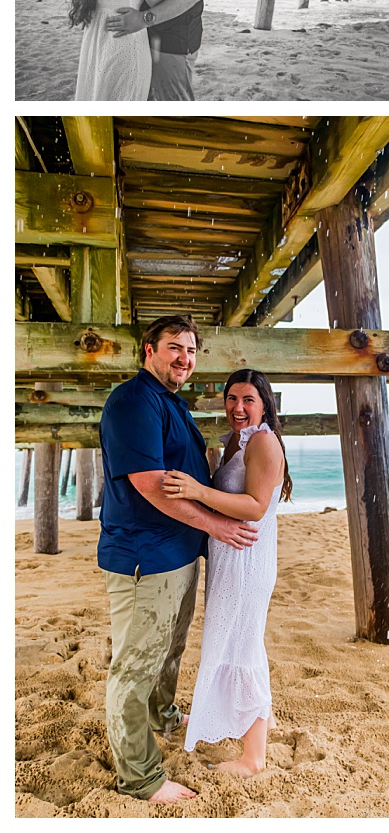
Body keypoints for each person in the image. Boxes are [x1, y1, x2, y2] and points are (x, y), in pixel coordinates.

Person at [98, 315, 259, 802]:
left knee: (168, 651)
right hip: (144, 558)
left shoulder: (172, 403)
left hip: (179, 555)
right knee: (134, 666)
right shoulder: (132, 401)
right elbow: (148, 484)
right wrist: (219, 526)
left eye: (190, 350)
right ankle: (141, 778)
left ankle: (162, 716)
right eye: (174, 347)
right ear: (149, 349)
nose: (183, 358)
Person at [160, 369, 290, 776]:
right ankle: (262, 718)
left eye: (248, 399)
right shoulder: (239, 440)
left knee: (241, 645)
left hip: (247, 560)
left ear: (264, 403)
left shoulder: (264, 442)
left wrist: (197, 492)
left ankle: (254, 757)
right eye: (232, 398)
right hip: (229, 556)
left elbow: (255, 505)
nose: (238, 407)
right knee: (243, 639)